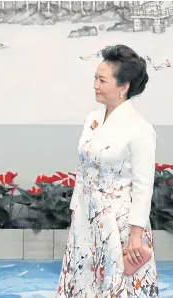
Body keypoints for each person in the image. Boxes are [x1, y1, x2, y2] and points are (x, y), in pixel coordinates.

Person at [56, 45, 159, 297]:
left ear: (123, 87)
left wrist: (136, 234)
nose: (95, 85)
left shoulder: (140, 129)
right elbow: (82, 170)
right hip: (85, 216)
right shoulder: (91, 119)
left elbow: (143, 185)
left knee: (120, 287)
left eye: (102, 80)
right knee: (83, 282)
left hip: (120, 222)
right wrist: (75, 211)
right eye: (95, 78)